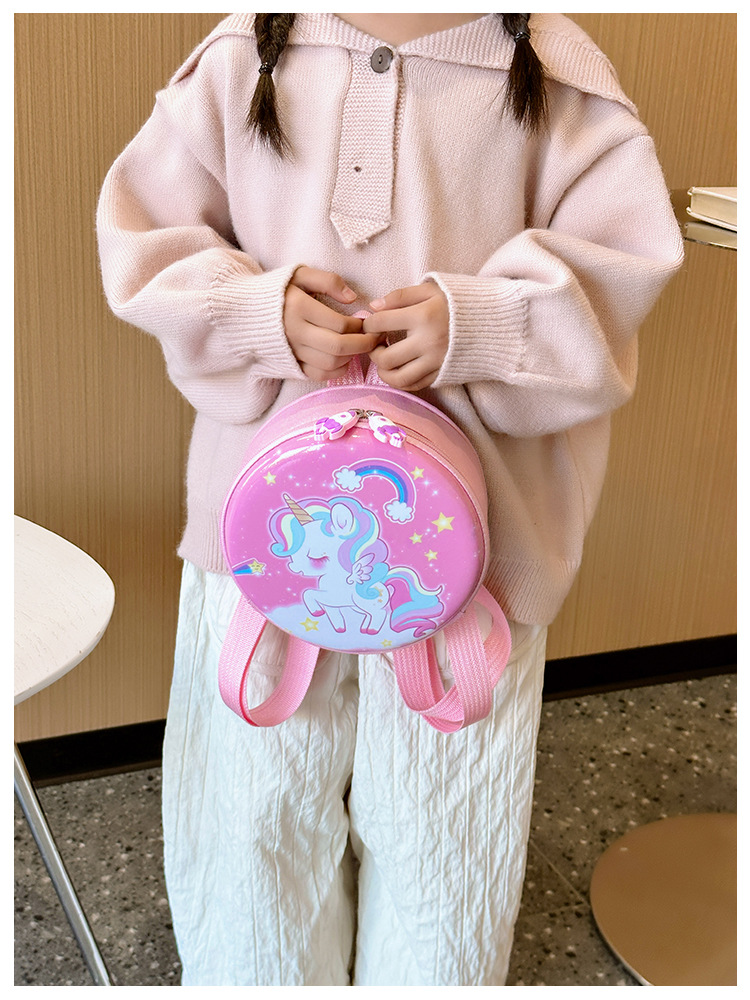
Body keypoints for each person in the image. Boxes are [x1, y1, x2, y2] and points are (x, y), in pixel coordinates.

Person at [96, 13, 683, 986]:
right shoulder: (245, 55)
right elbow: (145, 237)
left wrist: (485, 323)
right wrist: (254, 311)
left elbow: (621, 261)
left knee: (444, 813)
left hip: (472, 555)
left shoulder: (553, 71)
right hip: (269, 539)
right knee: (252, 799)